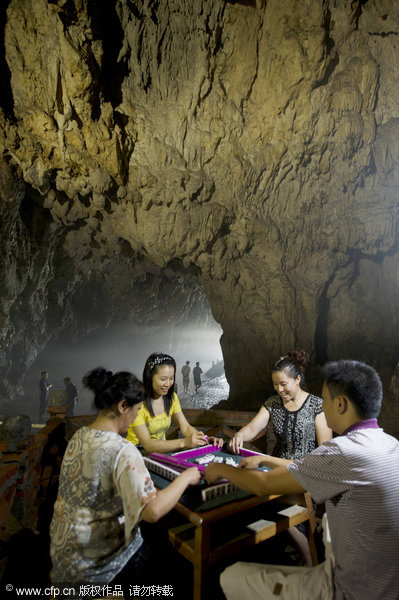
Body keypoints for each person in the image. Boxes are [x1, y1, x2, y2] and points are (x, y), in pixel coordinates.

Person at [205, 359, 399, 600]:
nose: (322, 406)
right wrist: (264, 459)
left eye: (326, 400)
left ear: (340, 404)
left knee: (230, 577)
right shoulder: (392, 444)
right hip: (387, 580)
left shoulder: (340, 451)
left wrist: (220, 469)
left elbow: (262, 485)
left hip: (350, 590)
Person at [50, 367, 201, 588]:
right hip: (100, 569)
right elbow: (152, 511)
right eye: (136, 411)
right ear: (122, 406)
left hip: (65, 558)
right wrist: (186, 477)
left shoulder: (79, 435)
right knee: (175, 562)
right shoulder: (122, 450)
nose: (133, 420)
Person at [228, 349, 332, 565]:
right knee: (253, 500)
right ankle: (278, 556)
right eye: (275, 384)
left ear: (298, 379)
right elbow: (253, 427)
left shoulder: (317, 406)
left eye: (283, 384)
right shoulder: (273, 403)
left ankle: (310, 561)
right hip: (274, 469)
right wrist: (239, 434)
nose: (279, 389)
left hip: (307, 473)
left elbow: (325, 451)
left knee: (279, 505)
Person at [127, 353, 223, 453]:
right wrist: (184, 442)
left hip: (159, 453)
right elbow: (148, 445)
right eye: (163, 379)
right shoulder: (137, 403)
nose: (168, 384)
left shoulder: (171, 397)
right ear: (150, 377)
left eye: (171, 378)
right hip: (135, 454)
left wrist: (205, 439)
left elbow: (185, 427)